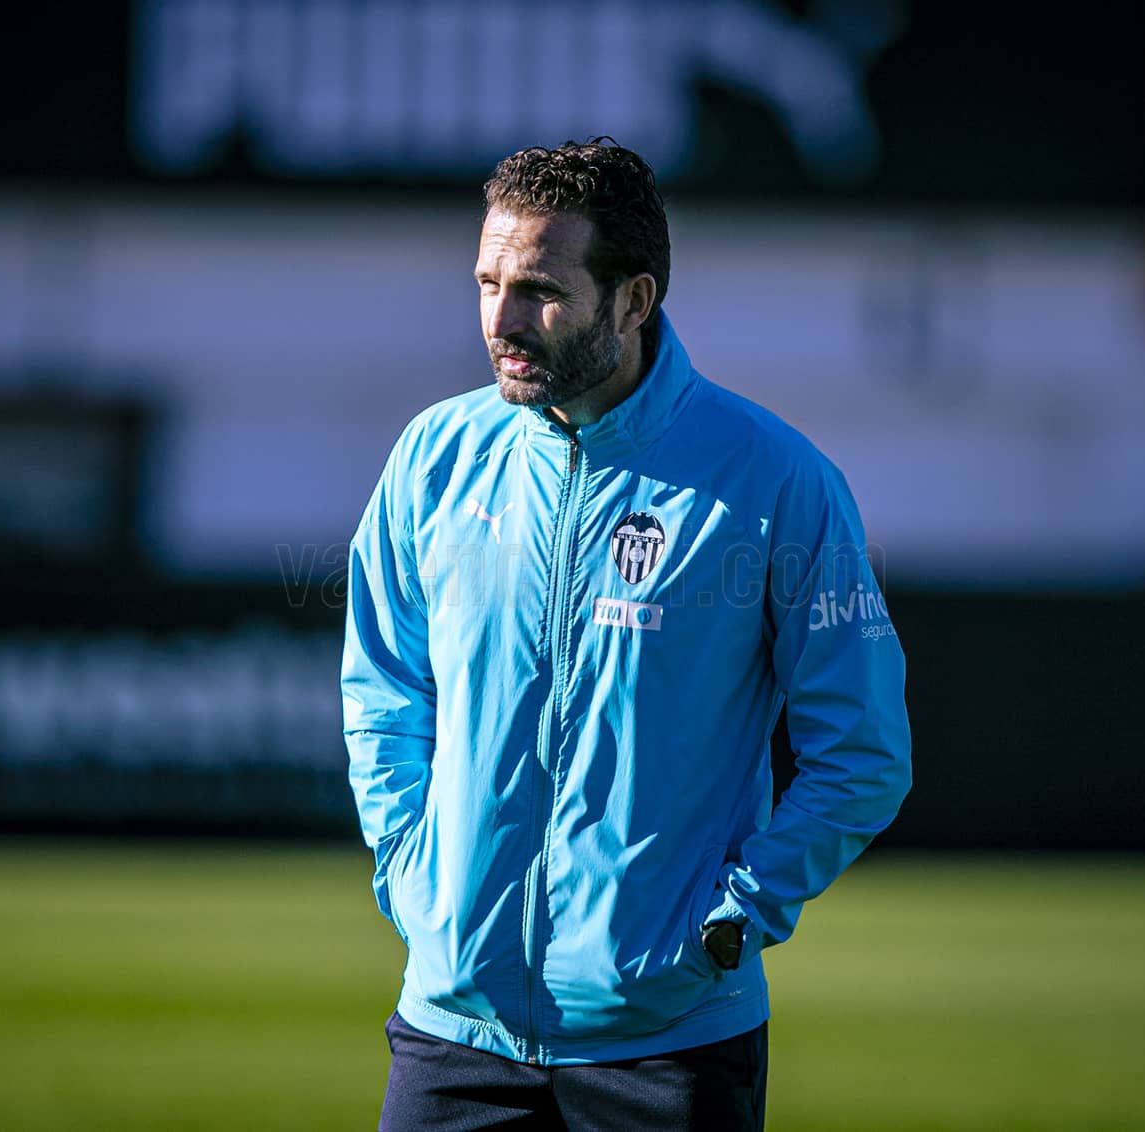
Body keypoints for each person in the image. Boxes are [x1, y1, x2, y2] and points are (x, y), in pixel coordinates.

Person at [342, 138, 912, 1131]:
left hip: (669, 1047)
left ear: (633, 300)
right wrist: (408, 867)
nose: (502, 321)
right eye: (488, 284)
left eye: (540, 291)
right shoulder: (434, 460)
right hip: (452, 1033)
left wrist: (732, 921)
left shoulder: (775, 481)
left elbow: (863, 752)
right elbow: (383, 688)